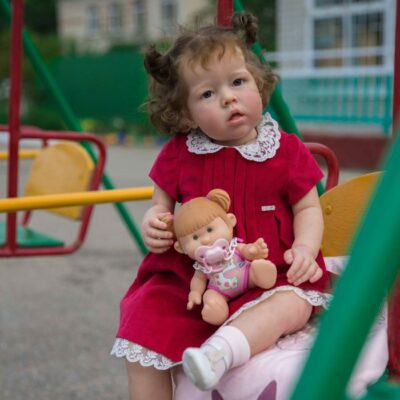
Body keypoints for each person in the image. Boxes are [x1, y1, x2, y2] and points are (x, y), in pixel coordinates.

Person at [111, 11, 331, 399]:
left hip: (269, 271)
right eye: (207, 94)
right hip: (193, 278)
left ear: (258, 84)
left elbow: (308, 209)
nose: (229, 96)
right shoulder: (181, 152)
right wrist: (154, 222)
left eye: (238, 81)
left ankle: (220, 353)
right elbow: (160, 205)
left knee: (292, 303)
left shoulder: (285, 150)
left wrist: (304, 249)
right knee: (143, 321)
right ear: (185, 113)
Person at [171, 188, 277, 326]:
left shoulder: (233, 247)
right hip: (220, 291)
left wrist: (252, 250)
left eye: (210, 230)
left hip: (245, 276)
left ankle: (261, 275)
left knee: (254, 267)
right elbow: (198, 279)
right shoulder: (202, 266)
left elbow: (244, 250)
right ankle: (217, 309)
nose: (206, 240)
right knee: (209, 295)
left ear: (230, 221)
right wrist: (195, 293)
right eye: (195, 237)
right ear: (181, 248)